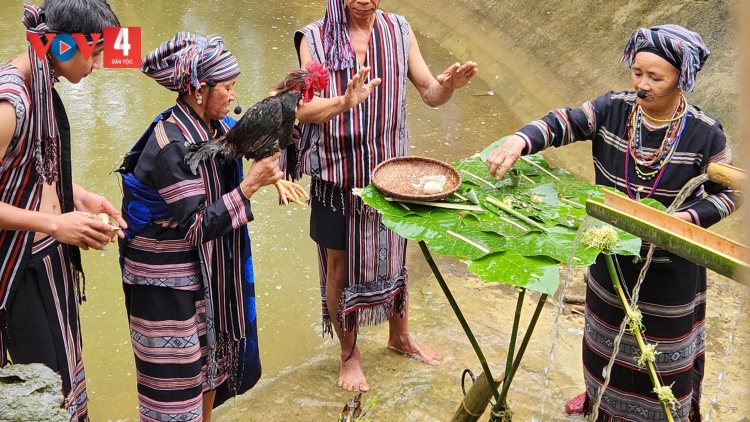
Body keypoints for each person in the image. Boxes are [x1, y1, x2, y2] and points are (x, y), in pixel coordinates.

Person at [485, 25, 738, 421]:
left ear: (681, 78)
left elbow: (733, 192)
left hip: (671, 269)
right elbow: (562, 122)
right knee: (605, 342)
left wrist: (684, 219)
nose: (642, 84)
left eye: (656, 78)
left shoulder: (705, 133)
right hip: (611, 258)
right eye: (637, 72)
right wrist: (520, 140)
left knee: (662, 356)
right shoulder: (612, 109)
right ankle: (600, 405)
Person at [283, 0, 477, 392]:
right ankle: (349, 355)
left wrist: (449, 86)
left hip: (388, 174)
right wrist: (345, 102)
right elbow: (303, 110)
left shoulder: (399, 30)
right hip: (336, 177)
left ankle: (399, 336)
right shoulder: (315, 38)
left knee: (395, 254)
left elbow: (429, 92)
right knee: (338, 267)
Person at [118, 32, 282, 422]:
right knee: (174, 388)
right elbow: (193, 226)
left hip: (203, 274)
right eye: (226, 88)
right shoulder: (173, 144)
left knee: (208, 368)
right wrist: (251, 184)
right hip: (165, 282)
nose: (231, 96)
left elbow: (252, 138)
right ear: (197, 91)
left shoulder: (214, 125)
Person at [0, 2, 123, 420]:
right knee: (43, 394)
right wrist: (54, 221)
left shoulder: (42, 85)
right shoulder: (10, 102)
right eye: (97, 52)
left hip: (49, 261)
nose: (101, 65)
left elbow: (31, 167)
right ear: (68, 45)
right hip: (17, 270)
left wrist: (76, 196)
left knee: (66, 378)